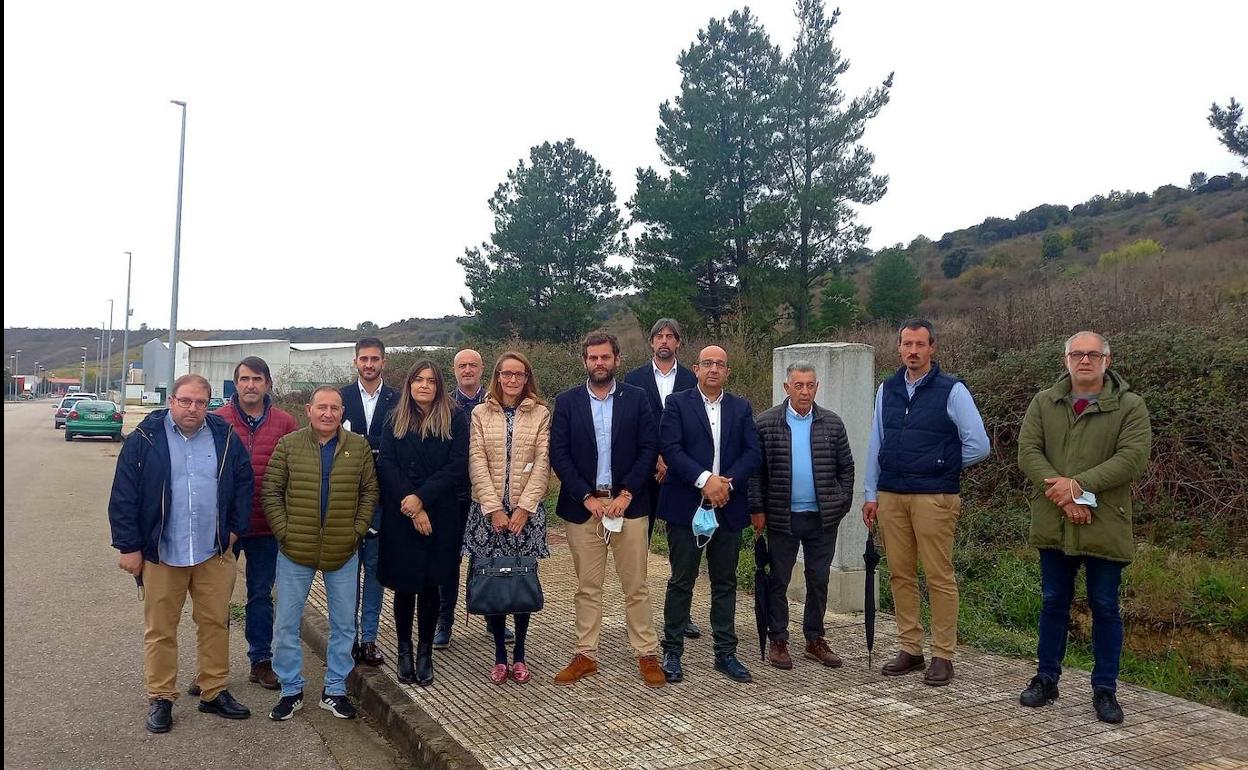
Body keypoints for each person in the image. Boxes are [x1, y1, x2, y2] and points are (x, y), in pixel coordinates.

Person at [1017, 331, 1151, 724]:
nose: (1085, 360)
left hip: (1105, 522)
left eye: (1093, 354)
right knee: (1053, 601)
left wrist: (1078, 486)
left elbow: (1131, 459)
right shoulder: (1045, 402)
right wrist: (1063, 495)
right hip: (1053, 521)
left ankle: (1105, 689)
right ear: (1066, 360)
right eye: (1077, 354)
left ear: (1107, 361)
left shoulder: (1130, 406)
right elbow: (1029, 452)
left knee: (1105, 606)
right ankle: (1046, 679)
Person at [108, 374, 254, 733]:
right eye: (186, 401)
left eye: (201, 402)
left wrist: (234, 529)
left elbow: (243, 483)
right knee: (160, 629)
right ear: (171, 400)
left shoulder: (224, 437)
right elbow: (124, 494)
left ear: (210, 404)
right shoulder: (145, 438)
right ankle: (161, 697)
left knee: (215, 622)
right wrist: (129, 546)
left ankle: (213, 690)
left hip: (213, 550)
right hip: (161, 552)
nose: (193, 409)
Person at [862, 319, 990, 686]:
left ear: (932, 347)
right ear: (899, 348)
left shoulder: (952, 390)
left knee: (938, 576)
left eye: (920, 344)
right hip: (891, 495)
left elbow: (978, 445)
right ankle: (911, 649)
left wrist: (940, 464)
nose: (913, 351)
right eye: (907, 344)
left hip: (935, 496)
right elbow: (877, 443)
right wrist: (871, 493)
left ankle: (943, 655)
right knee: (901, 573)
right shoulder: (887, 389)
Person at [550, 332, 664, 687]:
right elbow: (560, 454)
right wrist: (586, 496)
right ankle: (586, 654)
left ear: (617, 359)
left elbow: (649, 448)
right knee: (587, 586)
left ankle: (646, 652)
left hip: (629, 506)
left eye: (605, 357)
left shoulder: (637, 398)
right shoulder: (567, 401)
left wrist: (627, 493)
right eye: (592, 358)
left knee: (637, 586)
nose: (599, 363)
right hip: (585, 508)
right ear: (584, 361)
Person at [262, 387, 378, 721]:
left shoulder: (358, 448)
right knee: (285, 623)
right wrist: (284, 531)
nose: (328, 414)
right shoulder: (289, 445)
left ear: (343, 412)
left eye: (334, 408)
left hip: (343, 550)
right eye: (321, 407)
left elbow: (370, 491)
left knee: (344, 625)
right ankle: (291, 689)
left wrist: (357, 530)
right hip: (295, 550)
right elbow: (271, 491)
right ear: (309, 410)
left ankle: (335, 690)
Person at [657, 345, 761, 684]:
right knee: (682, 579)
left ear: (728, 372)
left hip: (727, 506)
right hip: (687, 504)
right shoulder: (677, 404)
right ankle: (672, 650)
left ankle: (725, 653)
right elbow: (671, 448)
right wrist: (705, 480)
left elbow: (752, 453)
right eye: (707, 364)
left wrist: (725, 485)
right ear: (696, 369)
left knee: (726, 581)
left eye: (720, 364)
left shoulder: (741, 408)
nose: (714, 369)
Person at [749, 361, 855, 670]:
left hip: (822, 518)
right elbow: (755, 473)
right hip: (783, 516)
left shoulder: (832, 424)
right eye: (798, 385)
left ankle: (814, 638)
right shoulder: (767, 422)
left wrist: (841, 501)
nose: (805, 391)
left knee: (818, 580)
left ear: (817, 387)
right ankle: (779, 638)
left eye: (810, 385)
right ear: (787, 388)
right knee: (778, 579)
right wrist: (757, 509)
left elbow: (846, 468)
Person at [376, 361, 469, 687]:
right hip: (402, 514)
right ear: (410, 384)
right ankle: (404, 650)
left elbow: (457, 466)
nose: (424, 385)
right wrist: (412, 505)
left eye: (431, 381)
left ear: (439, 385)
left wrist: (423, 500)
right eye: (418, 380)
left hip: (441, 514)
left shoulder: (456, 417)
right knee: (404, 586)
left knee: (431, 585)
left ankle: (425, 652)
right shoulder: (394, 417)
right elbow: (385, 462)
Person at [210, 356, 298, 690]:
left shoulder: (285, 423)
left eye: (257, 379)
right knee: (215, 598)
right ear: (236, 384)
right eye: (245, 379)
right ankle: (211, 666)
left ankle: (261, 660)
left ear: (268, 384)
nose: (251, 385)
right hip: (224, 527)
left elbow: (294, 473)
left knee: (261, 595)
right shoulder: (217, 421)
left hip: (267, 527)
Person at [464, 351, 551, 685]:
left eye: (519, 374)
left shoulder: (541, 413)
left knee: (521, 582)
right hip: (489, 513)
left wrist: (525, 508)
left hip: (525, 514)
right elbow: (476, 460)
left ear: (527, 377)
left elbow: (543, 462)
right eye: (506, 374)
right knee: (495, 582)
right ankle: (500, 655)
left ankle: (520, 655)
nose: (513, 380)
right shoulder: (479, 413)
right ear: (497, 376)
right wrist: (494, 508)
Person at [623, 318, 702, 640]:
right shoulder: (634, 378)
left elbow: (697, 427)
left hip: (681, 474)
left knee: (681, 548)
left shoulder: (691, 378)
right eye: (659, 336)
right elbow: (630, 425)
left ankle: (681, 614)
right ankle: (639, 614)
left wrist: (672, 460)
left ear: (679, 342)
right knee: (637, 545)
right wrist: (655, 457)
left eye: (671, 336)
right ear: (651, 342)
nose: (665, 341)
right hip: (644, 472)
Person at [435, 347, 503, 649]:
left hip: (485, 495)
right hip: (452, 495)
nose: (467, 370)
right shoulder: (443, 406)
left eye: (472, 365)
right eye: (461, 365)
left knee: (486, 559)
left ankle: (491, 616)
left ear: (482, 368)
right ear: (454, 370)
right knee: (448, 562)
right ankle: (444, 621)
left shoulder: (495, 404)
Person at [339, 337, 398, 667]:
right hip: (347, 497)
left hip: (384, 498)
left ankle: (370, 639)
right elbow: (333, 437)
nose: (369, 364)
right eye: (364, 358)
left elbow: (399, 441)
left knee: (375, 572)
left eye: (375, 358)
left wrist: (363, 442)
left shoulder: (397, 399)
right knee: (348, 574)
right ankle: (347, 639)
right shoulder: (342, 398)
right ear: (356, 362)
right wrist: (375, 446)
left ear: (383, 362)